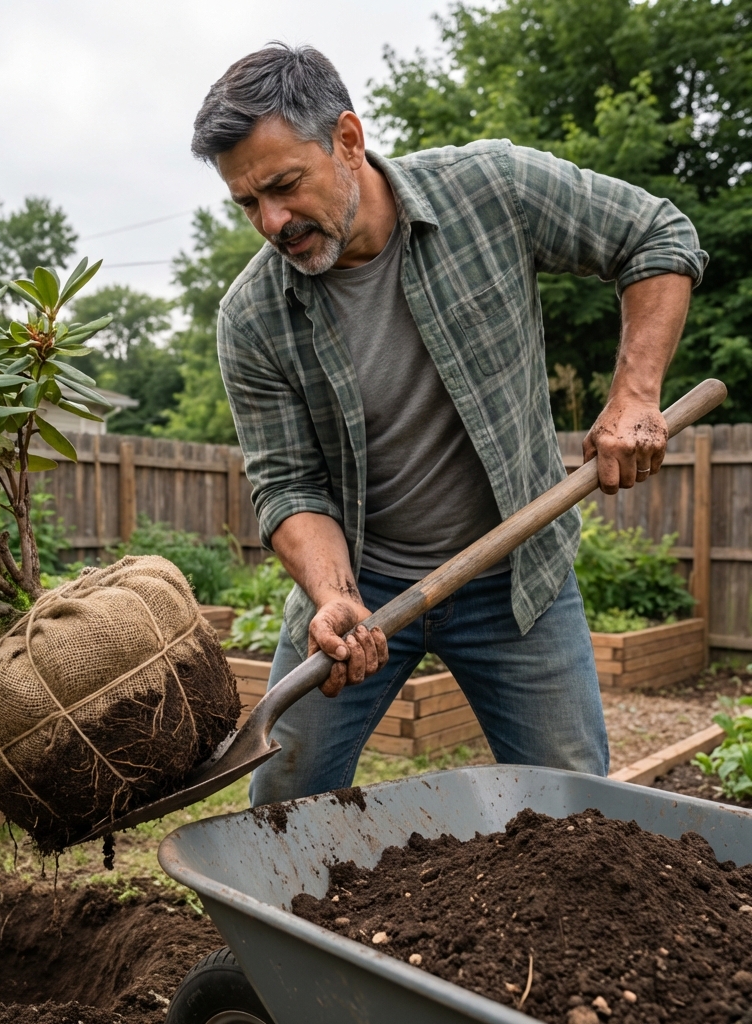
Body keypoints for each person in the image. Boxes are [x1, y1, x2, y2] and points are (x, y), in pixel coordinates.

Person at [191, 44, 708, 805]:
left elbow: (657, 235)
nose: (272, 221)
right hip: (362, 587)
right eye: (247, 203)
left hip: (517, 579)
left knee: (580, 810)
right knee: (280, 805)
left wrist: (635, 395)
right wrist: (333, 595)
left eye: (284, 186)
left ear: (348, 140)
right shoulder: (253, 317)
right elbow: (288, 483)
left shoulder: (488, 189)